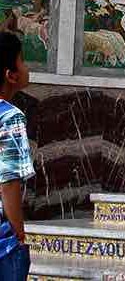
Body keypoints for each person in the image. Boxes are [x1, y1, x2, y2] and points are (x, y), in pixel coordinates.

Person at [0, 32, 34, 281]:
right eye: (22, 60)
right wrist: (18, 234)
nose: (26, 67)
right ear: (10, 75)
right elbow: (9, 180)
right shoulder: (10, 116)